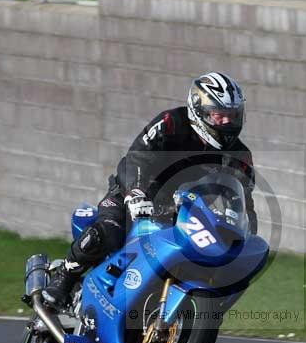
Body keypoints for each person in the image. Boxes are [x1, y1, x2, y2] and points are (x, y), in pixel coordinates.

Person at [41, 72, 258, 308]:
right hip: (134, 195)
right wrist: (136, 192)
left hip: (181, 213)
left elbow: (242, 200)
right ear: (199, 110)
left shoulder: (240, 156)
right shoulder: (171, 123)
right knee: (109, 231)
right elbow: (137, 157)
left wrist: (244, 235)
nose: (227, 123)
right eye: (219, 115)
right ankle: (65, 275)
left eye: (232, 115)